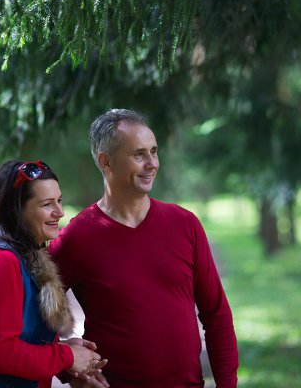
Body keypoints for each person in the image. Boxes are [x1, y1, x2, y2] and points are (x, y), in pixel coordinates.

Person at [49, 109, 239, 388]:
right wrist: (67, 364)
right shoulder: (77, 236)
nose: (152, 164)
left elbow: (216, 314)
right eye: (139, 155)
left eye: (154, 152)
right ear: (106, 161)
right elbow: (33, 313)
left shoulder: (185, 224)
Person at [0, 160, 105, 388]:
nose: (59, 212)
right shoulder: (0, 263)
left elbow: (25, 340)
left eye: (59, 200)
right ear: (17, 210)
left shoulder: (28, 258)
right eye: (47, 204)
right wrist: (66, 356)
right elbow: (0, 354)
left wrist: (67, 361)